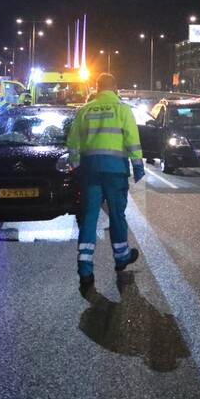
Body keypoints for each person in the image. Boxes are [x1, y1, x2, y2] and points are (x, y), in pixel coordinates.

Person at [66, 73, 145, 289]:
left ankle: (85, 269)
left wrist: (75, 166)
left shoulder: (84, 110)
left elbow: (73, 142)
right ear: (115, 88)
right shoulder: (122, 109)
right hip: (115, 170)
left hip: (90, 170)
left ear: (98, 87)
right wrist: (137, 165)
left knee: (89, 217)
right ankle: (121, 258)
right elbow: (132, 139)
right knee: (117, 215)